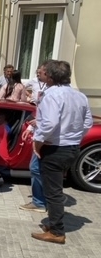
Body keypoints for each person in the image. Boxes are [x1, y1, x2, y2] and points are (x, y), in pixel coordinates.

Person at [31, 60, 93, 244]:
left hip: (55, 148)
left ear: (50, 77)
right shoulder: (79, 96)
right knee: (55, 189)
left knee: (53, 192)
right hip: (72, 147)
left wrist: (38, 142)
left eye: (43, 73)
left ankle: (57, 232)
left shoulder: (52, 96)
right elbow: (87, 123)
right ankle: (53, 224)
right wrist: (73, 137)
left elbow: (50, 123)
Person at [19, 63, 48, 213]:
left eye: (41, 72)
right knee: (40, 169)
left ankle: (40, 202)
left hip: (46, 139)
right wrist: (31, 127)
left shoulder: (51, 94)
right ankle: (44, 200)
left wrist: (38, 127)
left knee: (36, 168)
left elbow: (47, 118)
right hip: (43, 135)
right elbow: (40, 112)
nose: (38, 74)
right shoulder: (45, 91)